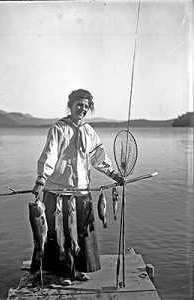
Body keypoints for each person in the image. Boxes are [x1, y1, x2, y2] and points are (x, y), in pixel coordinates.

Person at [31, 89, 123, 285]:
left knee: (82, 233)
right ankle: (64, 273)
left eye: (86, 106)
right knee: (60, 234)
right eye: (79, 105)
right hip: (58, 192)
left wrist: (113, 174)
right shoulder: (58, 128)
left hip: (82, 191)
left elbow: (99, 158)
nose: (82, 109)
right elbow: (49, 155)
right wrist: (41, 180)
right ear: (70, 106)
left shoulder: (89, 131)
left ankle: (78, 270)